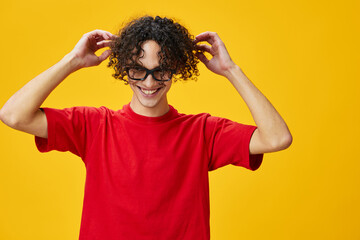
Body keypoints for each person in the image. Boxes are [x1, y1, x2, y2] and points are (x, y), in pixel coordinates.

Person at [0, 16, 292, 240]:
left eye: (161, 70)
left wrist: (231, 70)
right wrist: (72, 61)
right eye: (138, 69)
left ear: (177, 67)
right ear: (123, 67)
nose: (149, 83)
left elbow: (277, 137)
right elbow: (13, 115)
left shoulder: (202, 131)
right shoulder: (94, 126)